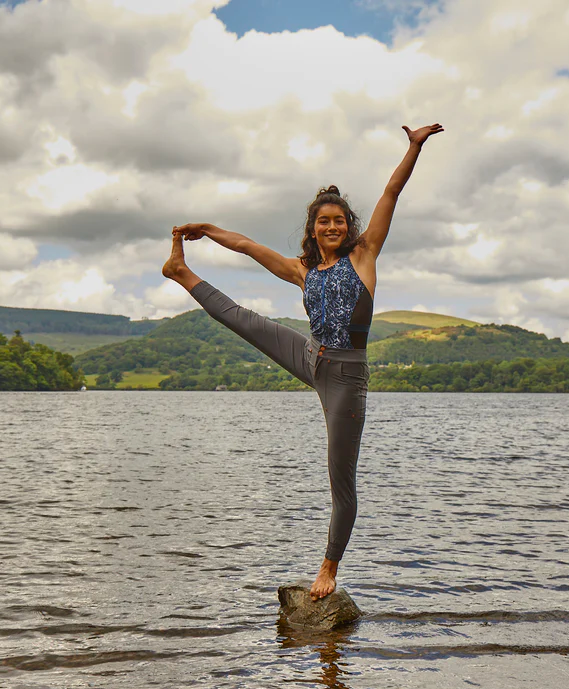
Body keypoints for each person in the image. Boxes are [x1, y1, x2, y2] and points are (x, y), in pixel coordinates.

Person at [162, 123, 444, 599]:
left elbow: (391, 193)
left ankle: (329, 567)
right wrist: (207, 230)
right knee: (243, 320)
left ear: (348, 226)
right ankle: (180, 271)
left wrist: (413, 147)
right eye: (322, 222)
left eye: (338, 221)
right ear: (313, 228)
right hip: (311, 356)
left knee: (342, 482)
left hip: (346, 377)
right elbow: (250, 246)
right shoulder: (303, 270)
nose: (331, 227)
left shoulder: (365, 253)